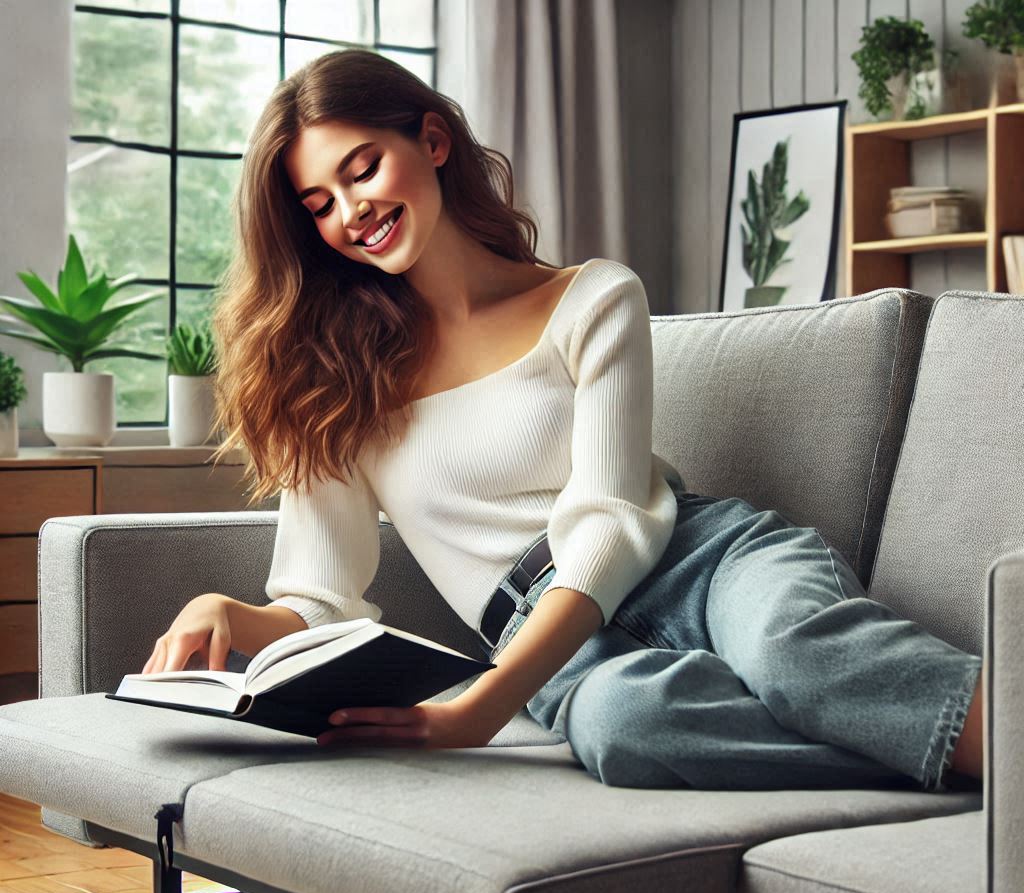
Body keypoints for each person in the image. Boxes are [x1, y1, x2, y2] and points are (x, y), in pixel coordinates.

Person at [141, 49, 985, 793]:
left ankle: (984, 744)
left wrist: (485, 703)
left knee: (794, 653)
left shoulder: (592, 297)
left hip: (697, 559)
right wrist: (228, 613)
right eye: (319, 203)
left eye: (361, 169)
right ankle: (934, 758)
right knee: (627, 726)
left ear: (432, 143)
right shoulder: (335, 380)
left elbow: (611, 519)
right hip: (554, 645)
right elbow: (324, 603)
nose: (349, 211)